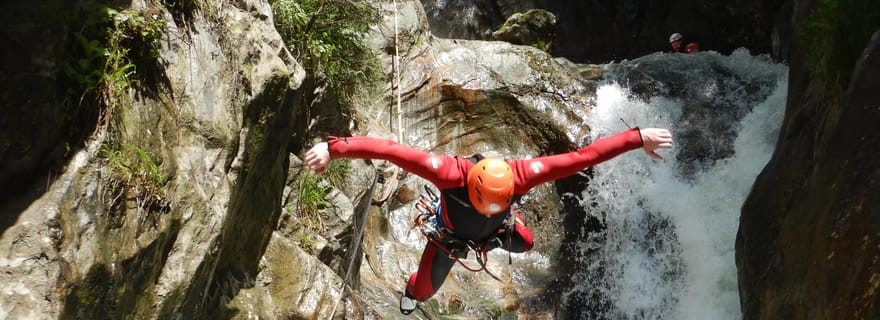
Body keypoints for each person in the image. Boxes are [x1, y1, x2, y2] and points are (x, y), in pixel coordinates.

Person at [305, 127, 674, 315]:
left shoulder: (523, 174)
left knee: (526, 243)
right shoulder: (449, 173)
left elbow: (581, 157)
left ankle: (496, 234)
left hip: (496, 232)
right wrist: (332, 148)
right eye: (484, 205)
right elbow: (391, 150)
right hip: (449, 236)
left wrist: (637, 137)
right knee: (421, 293)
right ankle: (411, 289)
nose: (486, 208)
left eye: (496, 205)